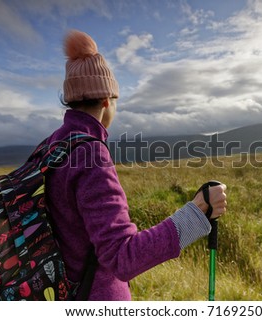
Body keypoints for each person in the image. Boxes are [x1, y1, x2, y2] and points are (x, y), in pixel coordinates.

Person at [45, 30, 227, 300]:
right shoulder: (91, 154)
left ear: (70, 101)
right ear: (107, 101)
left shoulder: (50, 146)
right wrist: (197, 213)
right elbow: (123, 258)